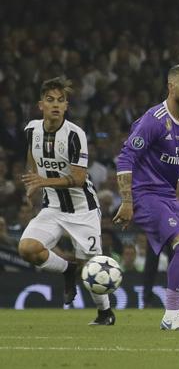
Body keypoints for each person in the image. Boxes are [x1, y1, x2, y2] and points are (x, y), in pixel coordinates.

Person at [114, 64, 179, 330]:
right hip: (145, 194)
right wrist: (127, 201)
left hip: (169, 197)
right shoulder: (154, 119)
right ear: (171, 87)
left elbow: (177, 165)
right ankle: (171, 316)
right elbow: (126, 157)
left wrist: (177, 200)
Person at [17, 77, 114, 325]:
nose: (55, 105)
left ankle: (105, 314)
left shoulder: (75, 135)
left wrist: (43, 182)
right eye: (50, 100)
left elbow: (79, 179)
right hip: (53, 208)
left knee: (92, 267)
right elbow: (31, 154)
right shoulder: (32, 129)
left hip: (83, 209)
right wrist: (32, 182)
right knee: (27, 248)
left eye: (60, 101)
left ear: (66, 105)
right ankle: (67, 270)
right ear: (41, 105)